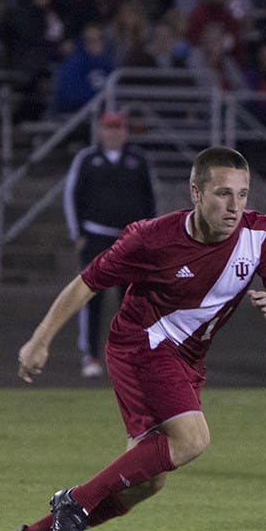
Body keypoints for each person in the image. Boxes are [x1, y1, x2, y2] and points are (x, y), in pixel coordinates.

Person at [11, 146, 266, 531]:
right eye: (222, 193)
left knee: (147, 482)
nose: (234, 206)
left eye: (242, 194)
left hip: (187, 358)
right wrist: (39, 341)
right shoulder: (150, 238)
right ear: (195, 193)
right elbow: (86, 284)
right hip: (141, 344)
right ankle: (74, 501)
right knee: (192, 439)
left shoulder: (260, 234)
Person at [62, 109, 157, 378]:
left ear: (125, 131)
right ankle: (90, 355)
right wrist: (77, 234)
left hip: (130, 240)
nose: (113, 134)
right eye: (108, 128)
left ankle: (131, 358)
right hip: (96, 238)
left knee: (132, 301)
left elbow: (150, 199)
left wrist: (150, 237)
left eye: (117, 128)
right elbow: (72, 195)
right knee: (91, 298)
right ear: (100, 131)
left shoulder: (137, 160)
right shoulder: (87, 159)